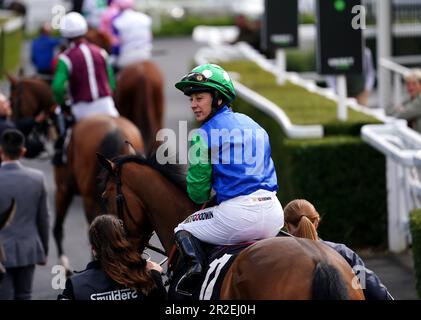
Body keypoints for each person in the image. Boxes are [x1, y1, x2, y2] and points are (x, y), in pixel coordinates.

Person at [173, 63, 283, 295]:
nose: (193, 104)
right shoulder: (257, 126)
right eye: (191, 98)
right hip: (274, 212)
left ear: (218, 98)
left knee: (182, 229)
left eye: (199, 97)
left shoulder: (201, 136)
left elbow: (198, 193)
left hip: (238, 216)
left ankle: (191, 278)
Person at [283, 199, 394, 300]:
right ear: (316, 222)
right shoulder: (342, 252)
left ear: (287, 226)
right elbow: (371, 288)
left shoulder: (279, 258)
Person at [58, 215, 167, 300]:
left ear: (93, 249)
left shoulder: (75, 285)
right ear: (123, 242)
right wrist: (155, 276)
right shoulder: (146, 279)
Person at [0, 129, 50, 300]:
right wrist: (44, 249)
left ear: (1, 151)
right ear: (23, 151)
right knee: (25, 295)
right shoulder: (37, 178)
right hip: (29, 248)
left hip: (1, 252)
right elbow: (43, 218)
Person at [52, 11, 118, 122]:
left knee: (67, 135)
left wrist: (63, 104)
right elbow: (111, 82)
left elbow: (57, 87)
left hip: (81, 109)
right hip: (106, 106)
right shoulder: (101, 52)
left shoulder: (64, 58)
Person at [110, 0, 153, 70]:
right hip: (145, 55)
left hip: (125, 58)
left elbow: (116, 45)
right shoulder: (145, 18)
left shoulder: (117, 21)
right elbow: (150, 38)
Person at [391, 69, 421, 133]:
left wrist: (402, 109)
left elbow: (400, 115)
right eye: (408, 84)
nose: (411, 87)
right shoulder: (410, 98)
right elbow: (388, 110)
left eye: (414, 84)